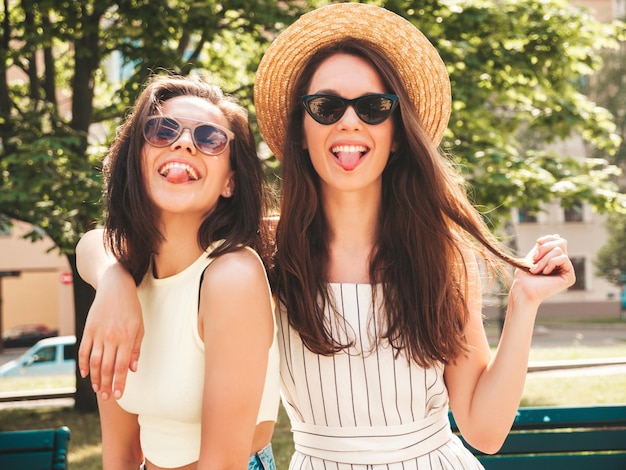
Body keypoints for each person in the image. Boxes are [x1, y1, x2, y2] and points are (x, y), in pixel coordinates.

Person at [77, 4, 575, 469]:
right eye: (326, 106)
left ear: (397, 132)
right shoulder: (266, 250)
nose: (351, 120)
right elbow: (108, 240)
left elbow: (485, 433)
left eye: (375, 106)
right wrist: (114, 278)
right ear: (301, 130)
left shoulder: (441, 254)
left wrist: (523, 306)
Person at [77, 74, 280, 470]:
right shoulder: (120, 281)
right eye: (161, 130)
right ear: (136, 160)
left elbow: (223, 464)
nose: (184, 142)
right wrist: (112, 279)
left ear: (230, 182)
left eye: (209, 139)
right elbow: (119, 456)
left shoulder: (231, 277)